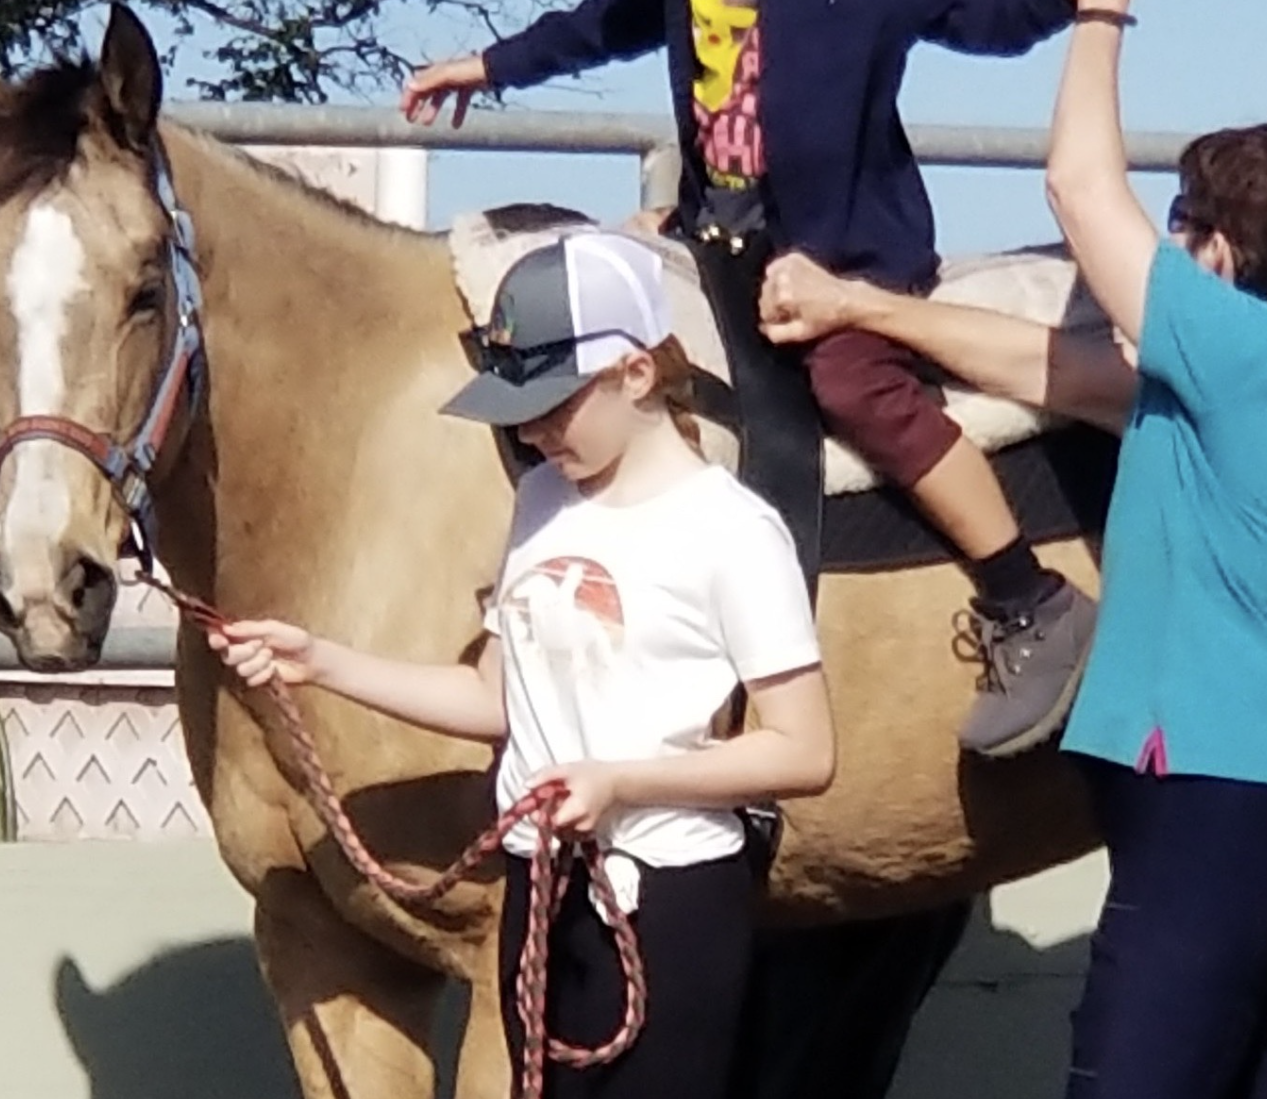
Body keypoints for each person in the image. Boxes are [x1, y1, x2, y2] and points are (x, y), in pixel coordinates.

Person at [396, 0, 1097, 758]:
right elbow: (616, 20)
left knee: (851, 383)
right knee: (581, 353)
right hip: (717, 245)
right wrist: (491, 63)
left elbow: (982, 14)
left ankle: (1028, 594)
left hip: (846, 262)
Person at [761, 0, 1267, 1099]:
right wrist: (862, 304)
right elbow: (1055, 366)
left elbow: (1080, 190)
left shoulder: (1240, 348)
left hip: (1205, 821)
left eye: (1187, 220)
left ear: (1220, 254)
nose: (1172, 236)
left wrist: (1100, 5)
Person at [208, 230, 835, 1099]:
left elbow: (804, 751)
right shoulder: (542, 501)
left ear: (637, 373)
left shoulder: (732, 531)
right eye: (521, 409)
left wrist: (620, 783)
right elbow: (494, 696)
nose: (534, 431)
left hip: (668, 899)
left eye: (556, 403)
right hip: (542, 892)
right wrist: (320, 663)